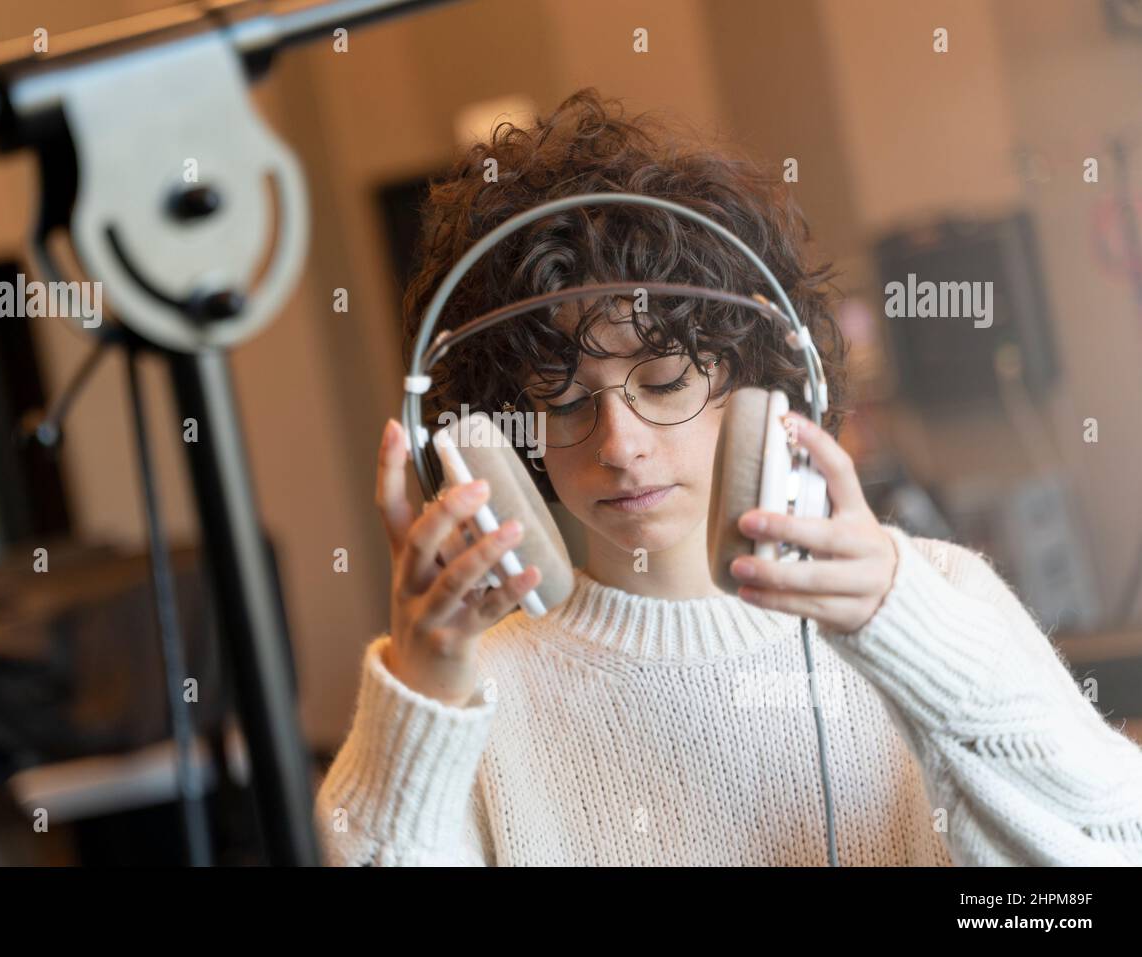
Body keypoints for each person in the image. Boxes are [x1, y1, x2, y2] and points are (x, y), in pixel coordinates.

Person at [314, 89, 1142, 866]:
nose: (619, 444)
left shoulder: (934, 593)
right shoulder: (473, 687)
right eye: (565, 404)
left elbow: (1111, 843)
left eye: (666, 382)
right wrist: (420, 700)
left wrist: (909, 631)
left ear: (763, 380)